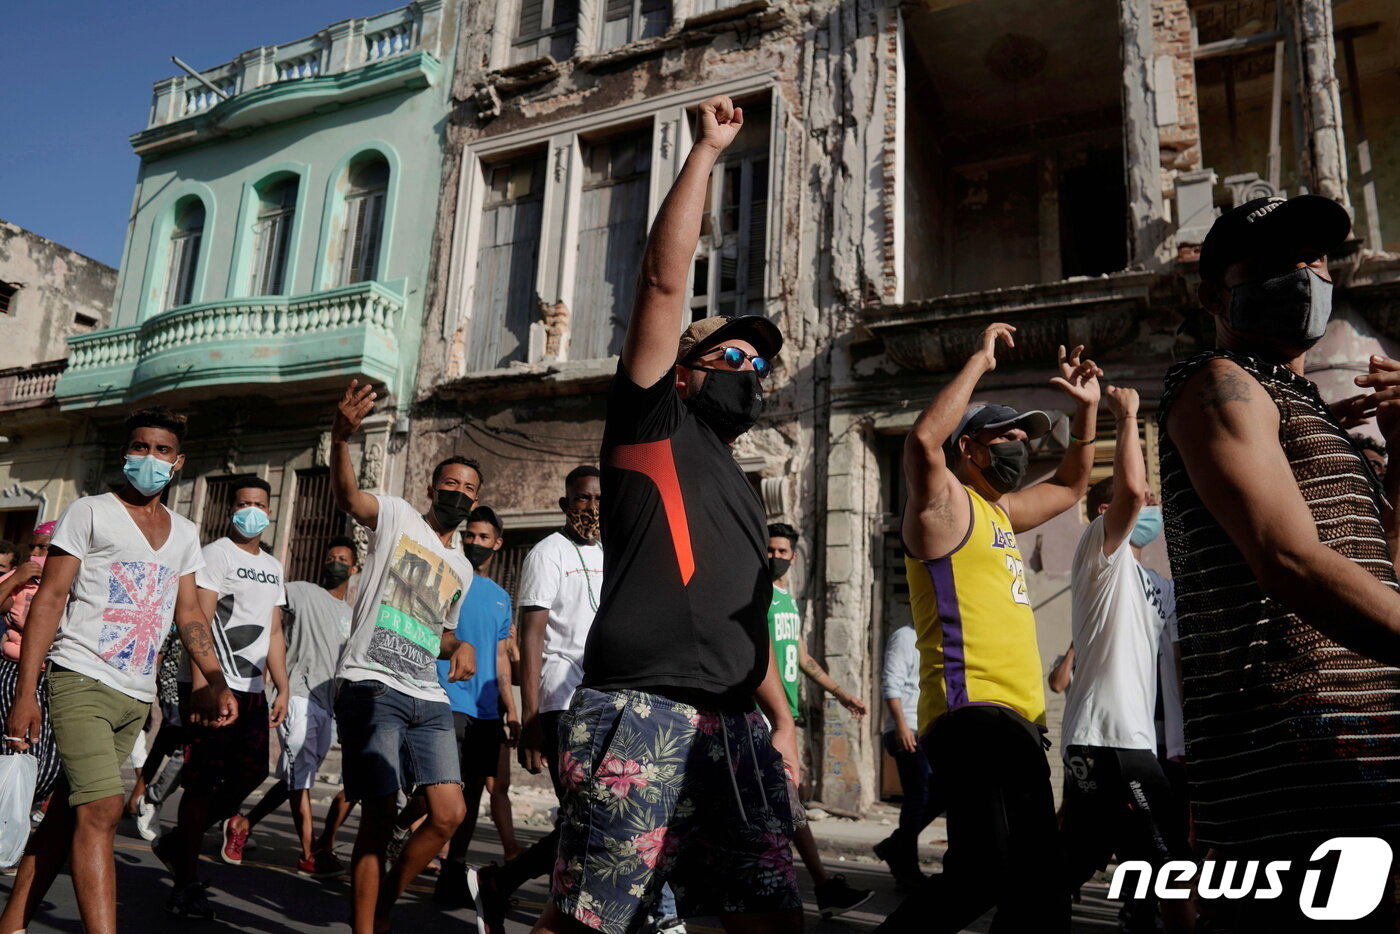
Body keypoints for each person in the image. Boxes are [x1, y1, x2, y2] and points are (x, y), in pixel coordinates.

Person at [527, 95, 800, 934]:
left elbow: (742, 618)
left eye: (762, 364)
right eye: (732, 356)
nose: (751, 372)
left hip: (736, 727)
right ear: (684, 370)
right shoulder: (651, 423)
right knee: (595, 921)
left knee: (768, 914)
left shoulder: (745, 490)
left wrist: (782, 719)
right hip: (642, 710)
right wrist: (709, 153)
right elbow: (663, 280)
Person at [1159, 194, 1400, 929]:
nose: (1302, 277)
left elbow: (1383, 573)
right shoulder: (1216, 384)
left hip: (1370, 761)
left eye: (1315, 261)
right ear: (1213, 294)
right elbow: (1286, 559)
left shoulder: (1317, 412)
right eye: (1272, 265)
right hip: (1290, 773)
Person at [876, 323, 1102, 934]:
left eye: (1025, 438)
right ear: (970, 448)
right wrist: (978, 361)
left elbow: (1071, 484)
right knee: (987, 872)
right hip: (972, 715)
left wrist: (1085, 418)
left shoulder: (999, 511)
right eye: (1006, 435)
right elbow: (924, 441)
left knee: (1042, 893)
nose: (1020, 447)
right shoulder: (943, 505)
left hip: (1020, 724)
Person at [0, 406, 237, 934]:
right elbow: (51, 598)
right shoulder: (89, 512)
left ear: (178, 463)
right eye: (138, 447)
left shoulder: (184, 533)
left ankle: (11, 923)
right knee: (105, 809)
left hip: (135, 696)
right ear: (124, 452)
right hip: (79, 677)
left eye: (160, 450)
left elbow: (190, 613)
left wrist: (215, 679)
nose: (147, 458)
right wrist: (26, 690)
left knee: (69, 813)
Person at [330, 379, 478, 934]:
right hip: (371, 682)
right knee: (380, 812)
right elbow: (348, 498)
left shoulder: (461, 566)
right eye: (451, 483)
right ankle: (366, 925)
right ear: (432, 486)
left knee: (449, 815)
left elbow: (439, 631)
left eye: (469, 488)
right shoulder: (395, 516)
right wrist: (340, 439)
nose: (459, 493)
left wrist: (459, 644)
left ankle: (384, 901)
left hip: (428, 694)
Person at [1059, 387, 1192, 934]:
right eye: (1143, 502)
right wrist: (1130, 416)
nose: (1151, 506)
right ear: (1102, 511)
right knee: (1173, 865)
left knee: (1074, 858)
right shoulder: (1100, 554)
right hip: (1107, 738)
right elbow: (1134, 491)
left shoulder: (1158, 585)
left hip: (1133, 740)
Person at [469, 466, 607, 931]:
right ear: (566, 504)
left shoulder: (614, 553)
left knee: (590, 818)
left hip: (605, 702)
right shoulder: (548, 553)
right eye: (583, 499)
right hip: (560, 704)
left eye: (599, 499)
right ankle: (554, 907)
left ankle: (502, 882)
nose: (592, 508)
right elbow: (531, 637)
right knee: (584, 819)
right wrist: (530, 717)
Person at [154, 475, 290, 915]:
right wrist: (202, 686)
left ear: (270, 512)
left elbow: (272, 629)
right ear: (231, 509)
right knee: (201, 782)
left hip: (252, 691)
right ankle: (186, 881)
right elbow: (197, 617)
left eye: (259, 504)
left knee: (253, 772)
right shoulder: (214, 554)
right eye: (243, 503)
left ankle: (178, 843)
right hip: (213, 685)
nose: (251, 511)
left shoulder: (274, 566)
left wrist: (282, 685)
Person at [764, 522, 872, 918]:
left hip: (786, 717)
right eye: (770, 550)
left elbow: (803, 658)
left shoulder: (786, 600)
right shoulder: (759, 596)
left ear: (794, 556)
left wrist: (842, 694)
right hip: (767, 718)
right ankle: (822, 886)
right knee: (789, 804)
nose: (775, 557)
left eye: (782, 552)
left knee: (784, 804)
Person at [241, 535, 360, 876]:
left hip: (327, 705)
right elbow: (269, 600)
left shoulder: (351, 615)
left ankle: (243, 824)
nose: (334, 563)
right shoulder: (303, 591)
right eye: (330, 557)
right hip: (295, 695)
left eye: (342, 559)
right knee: (301, 776)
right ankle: (310, 854)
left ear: (354, 568)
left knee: (298, 777)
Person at [432, 506, 518, 905]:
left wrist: (511, 708)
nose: (475, 542)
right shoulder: (447, 577)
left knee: (471, 797)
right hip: (447, 698)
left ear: (497, 544)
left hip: (486, 710)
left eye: (484, 537)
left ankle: (451, 876)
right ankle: (402, 834)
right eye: (470, 535)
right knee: (437, 789)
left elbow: (501, 658)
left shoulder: (502, 599)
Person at [872, 622, 936, 893]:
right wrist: (901, 726)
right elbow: (891, 682)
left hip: (928, 729)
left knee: (938, 794)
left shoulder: (933, 636)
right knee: (917, 797)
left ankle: (895, 846)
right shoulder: (905, 636)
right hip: (907, 728)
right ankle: (906, 868)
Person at [0, 534, 60, 810]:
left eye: (44, 547)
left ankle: (20, 805)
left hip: (55, 674)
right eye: (33, 546)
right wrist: (15, 579)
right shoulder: (18, 580)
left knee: (45, 762)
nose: (37, 552)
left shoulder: (70, 580)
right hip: (13, 670)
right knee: (14, 744)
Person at [129, 627, 186, 841]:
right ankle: (148, 798)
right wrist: (151, 684)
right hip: (174, 685)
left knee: (164, 743)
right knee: (179, 745)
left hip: (199, 688)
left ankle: (138, 796)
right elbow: (160, 649)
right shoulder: (182, 603)